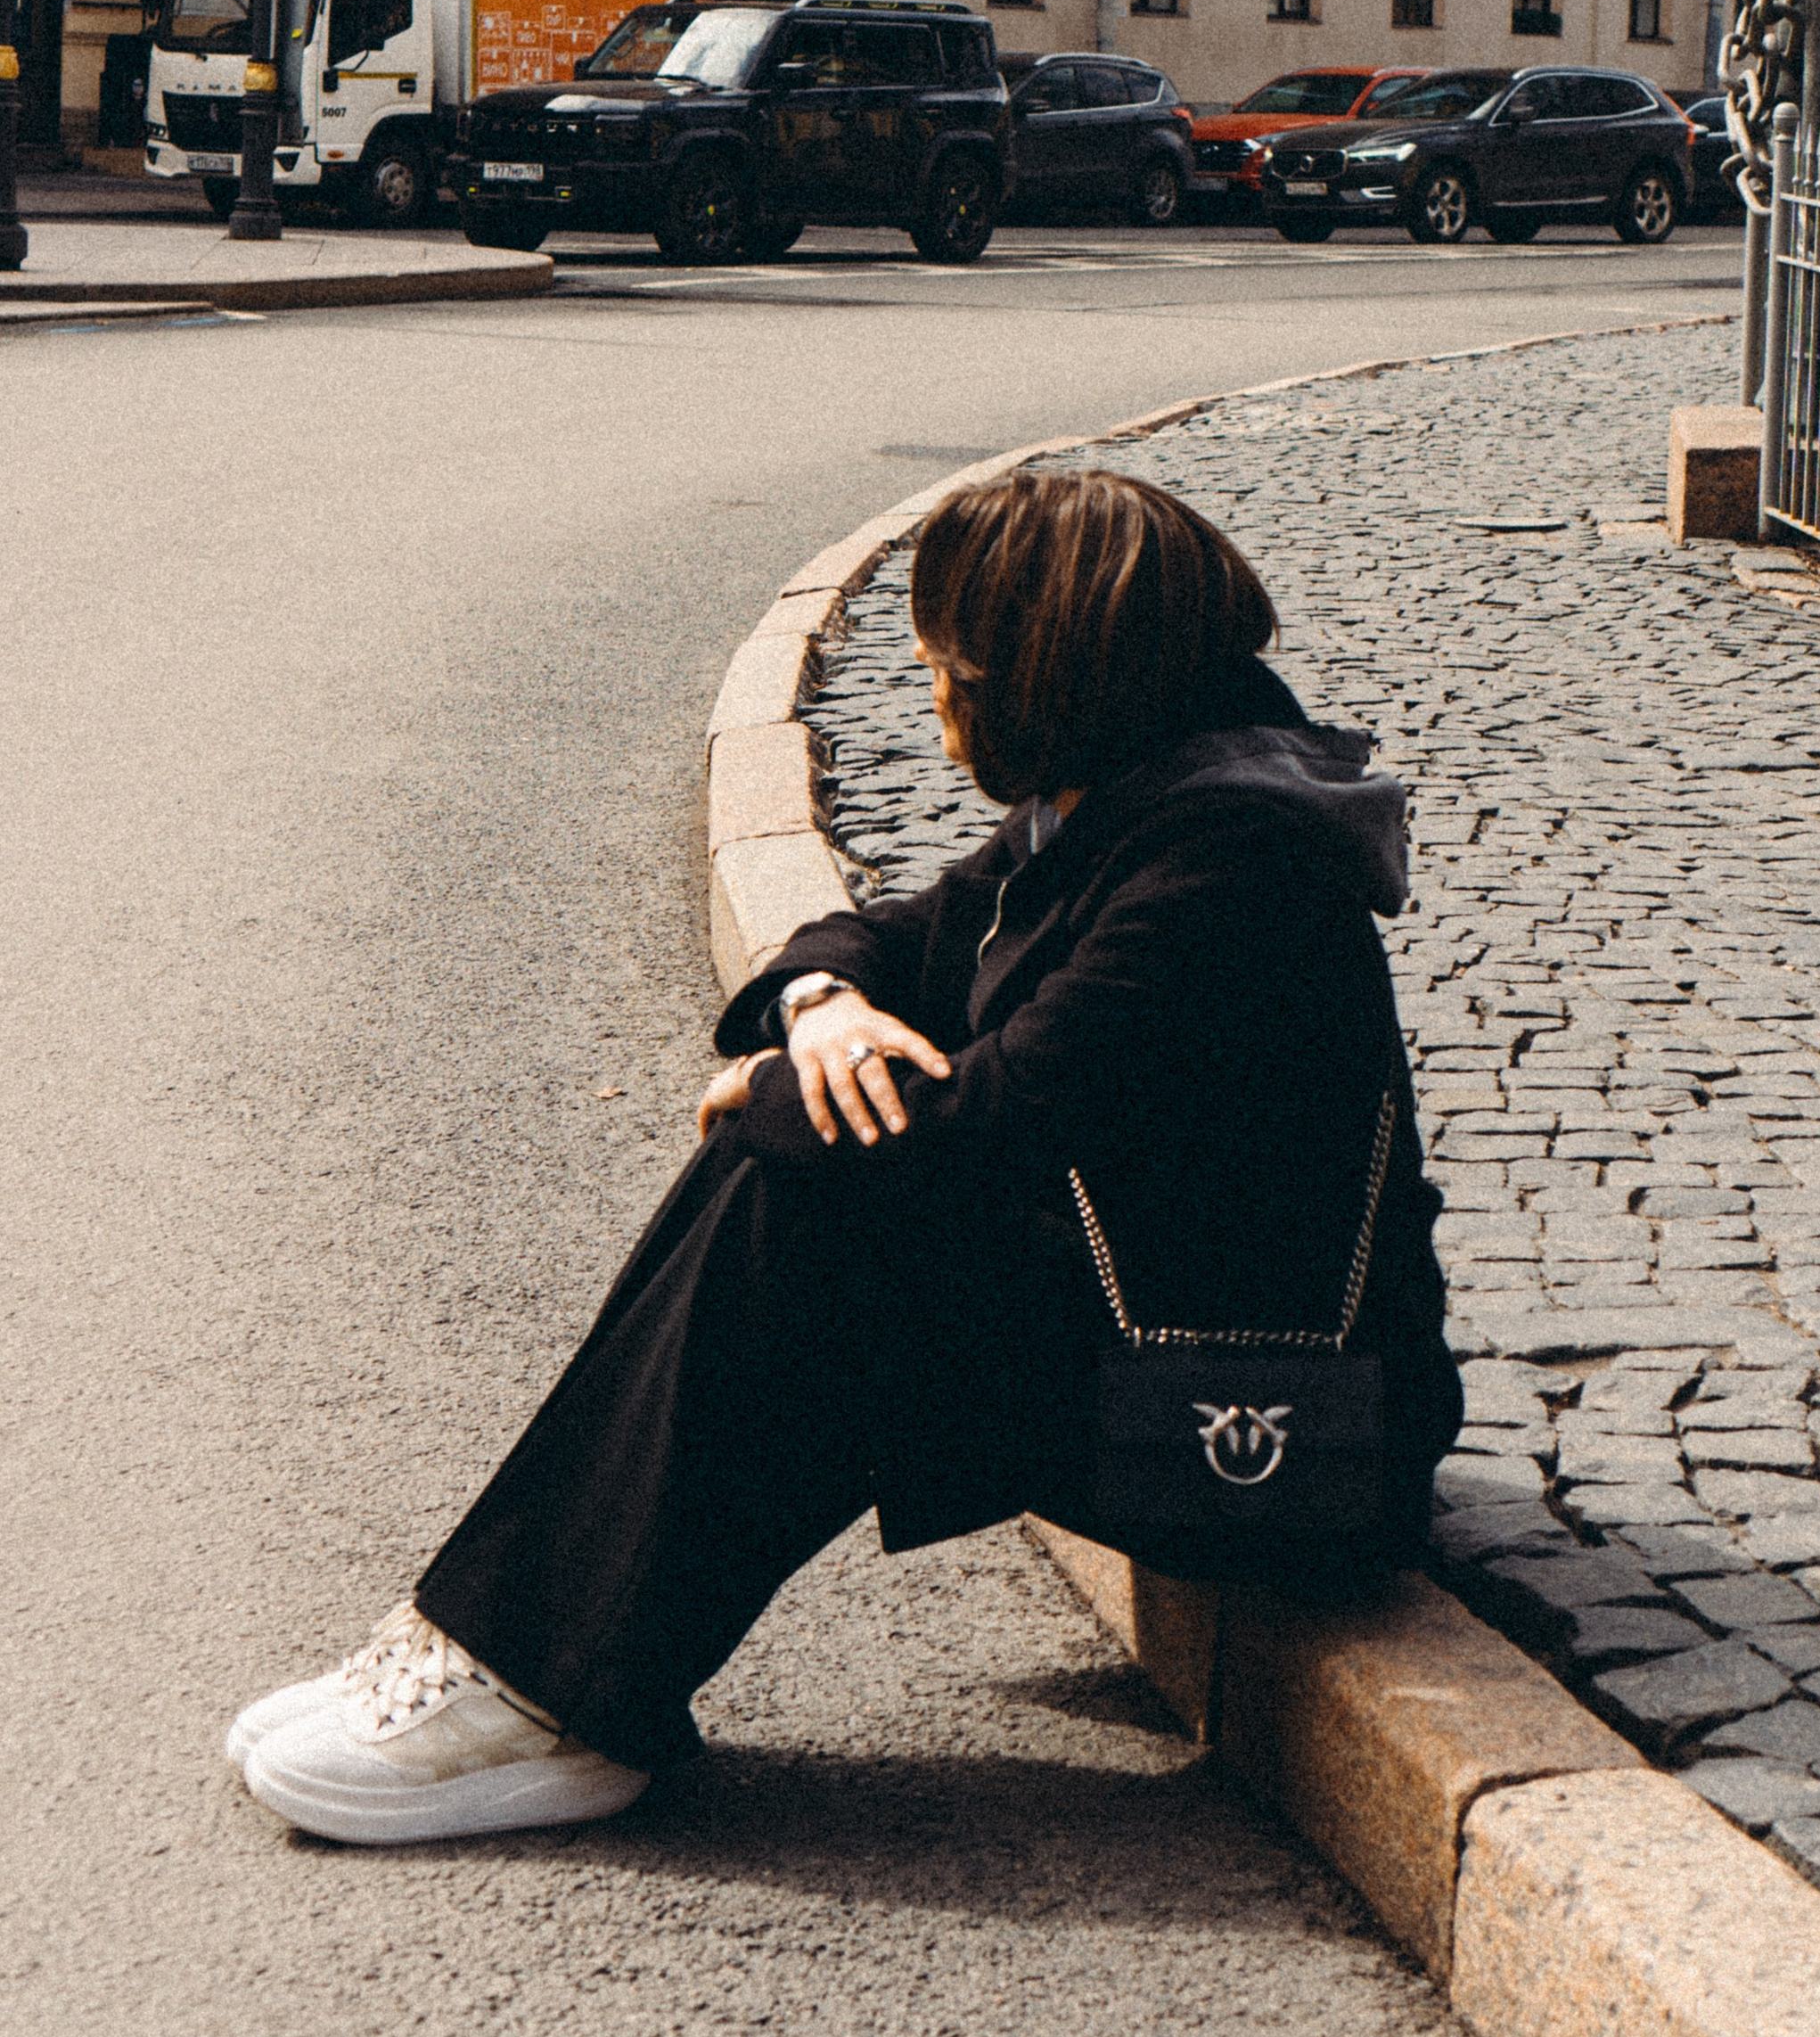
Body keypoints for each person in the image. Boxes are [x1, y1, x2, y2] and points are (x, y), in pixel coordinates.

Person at [228, 469, 1463, 1847]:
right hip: (1172, 1366)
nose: (936, 712)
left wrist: (765, 1088)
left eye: (953, 673)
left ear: (1042, 678)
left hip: (1284, 1451)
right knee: (813, 1148)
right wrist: (820, 1009)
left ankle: (555, 1698)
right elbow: (903, 934)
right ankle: (521, 1653)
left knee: (810, 1204)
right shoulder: (1147, 789)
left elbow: (987, 1131)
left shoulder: (1227, 872)